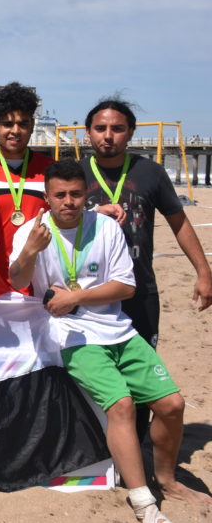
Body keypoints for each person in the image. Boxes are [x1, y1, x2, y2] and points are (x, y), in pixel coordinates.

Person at [9, 160, 210, 523]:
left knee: (172, 405)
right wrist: (31, 252)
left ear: (86, 194)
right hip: (70, 334)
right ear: (47, 197)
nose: (68, 202)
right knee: (121, 405)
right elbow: (18, 279)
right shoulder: (31, 232)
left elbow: (126, 287)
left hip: (117, 329)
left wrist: (75, 296)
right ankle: (143, 503)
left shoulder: (104, 227)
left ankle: (166, 480)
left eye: (76, 194)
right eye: (60, 195)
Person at [81, 97, 212, 343]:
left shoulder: (151, 172)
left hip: (139, 291)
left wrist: (204, 272)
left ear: (130, 132)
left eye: (117, 128)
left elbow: (180, 223)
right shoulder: (75, 174)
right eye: (100, 128)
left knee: (142, 376)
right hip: (88, 293)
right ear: (88, 133)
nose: (108, 136)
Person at [0, 82, 54, 282]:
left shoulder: (51, 170)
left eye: (23, 124)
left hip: (36, 280)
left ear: (32, 126)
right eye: (8, 124)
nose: (15, 131)